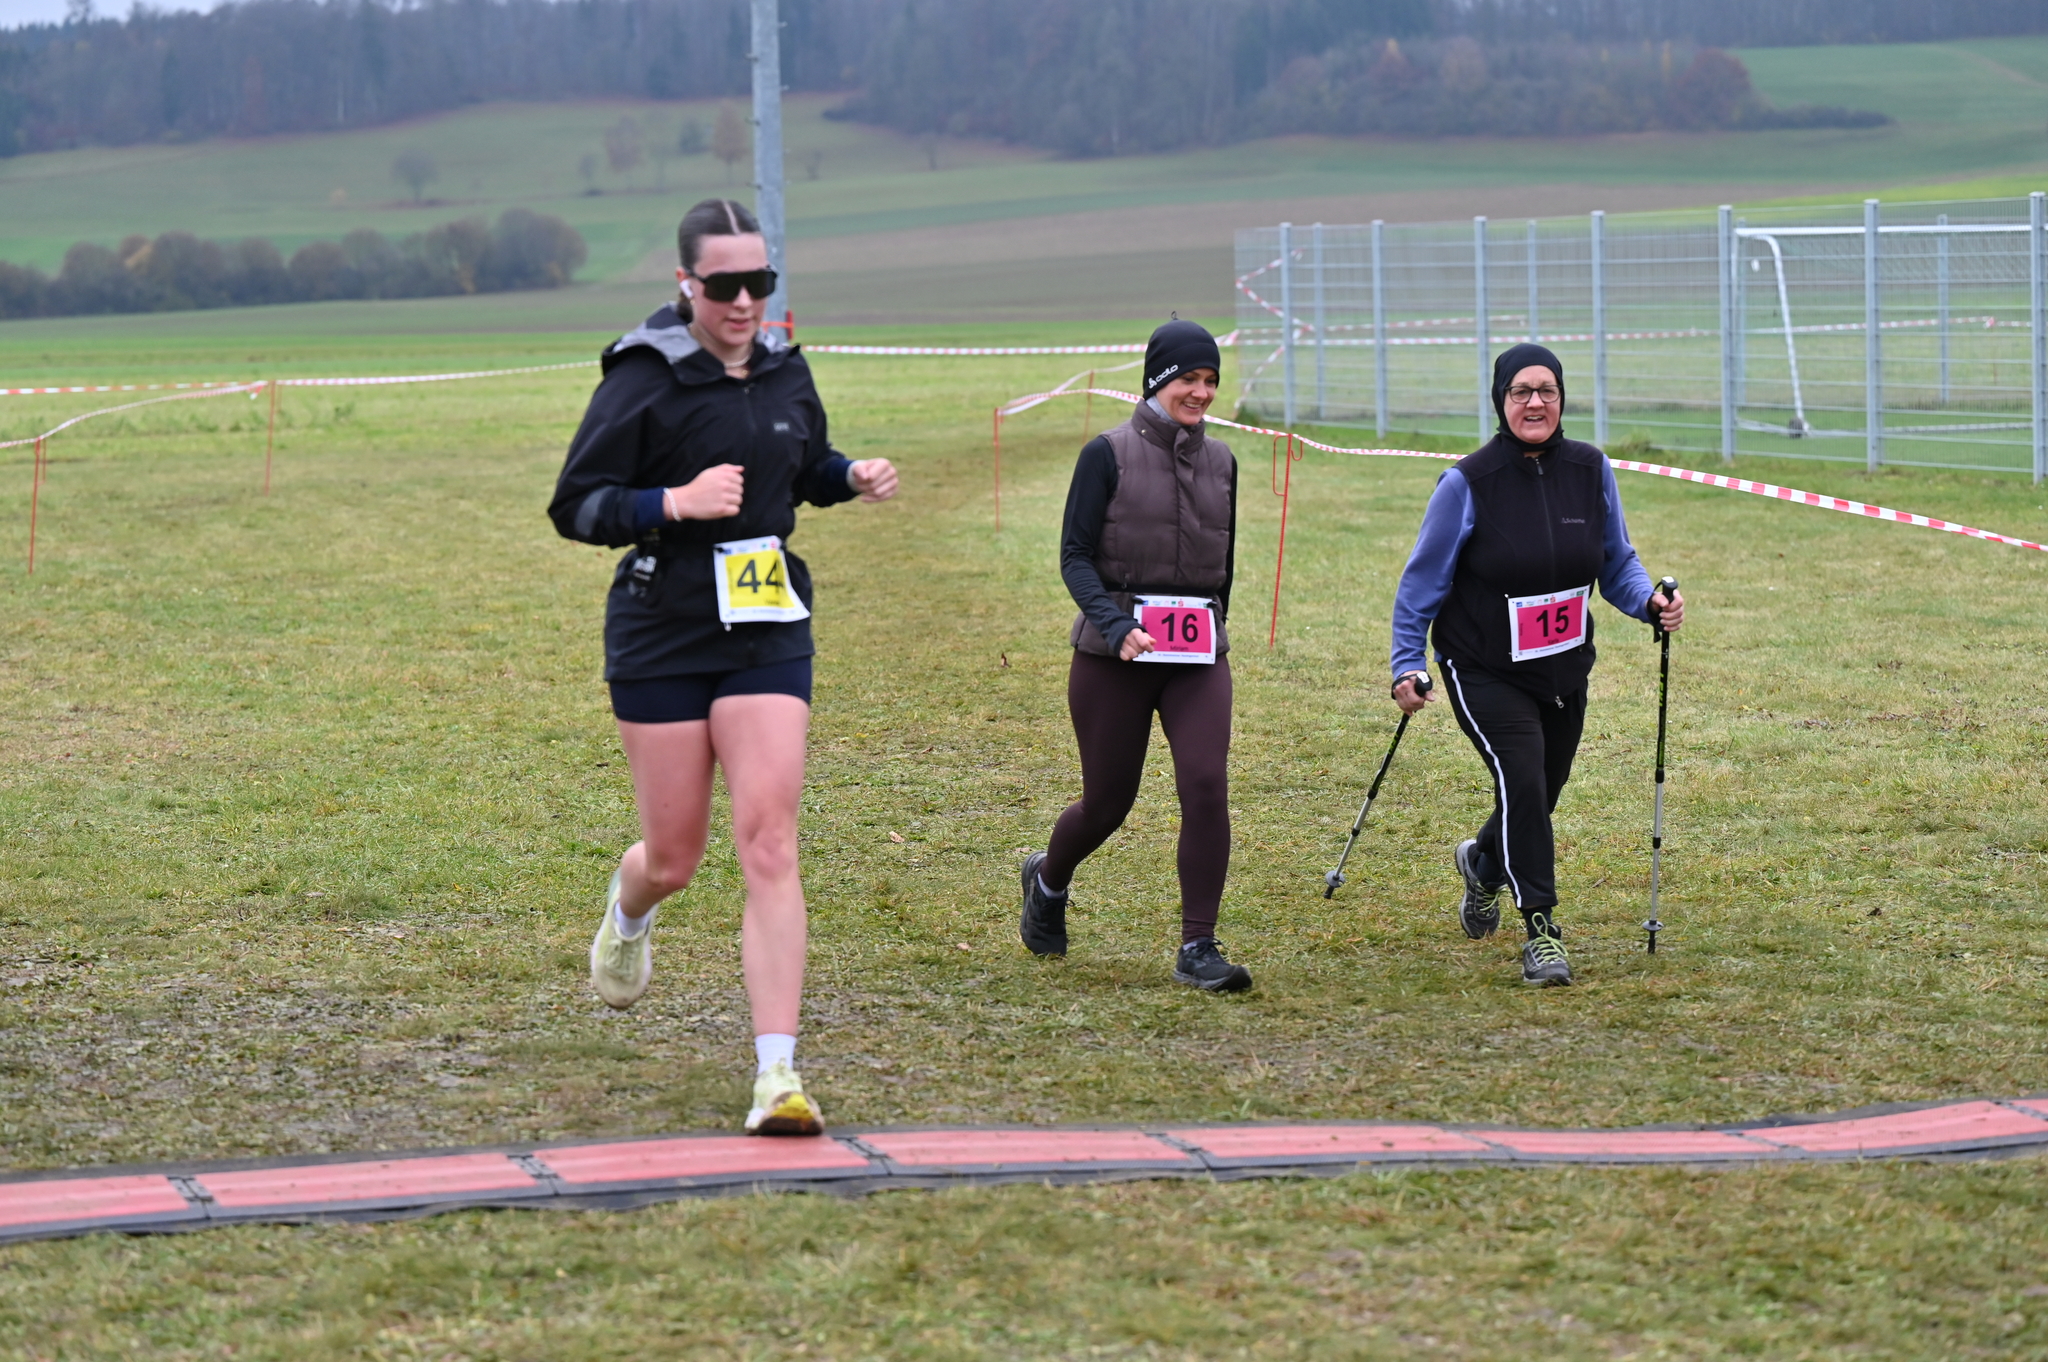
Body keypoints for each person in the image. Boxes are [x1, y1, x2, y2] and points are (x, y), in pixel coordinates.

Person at [548, 198, 897, 1133]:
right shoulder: (644, 376)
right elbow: (575, 506)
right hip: (662, 629)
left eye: (760, 282)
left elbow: (803, 467)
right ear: (686, 283)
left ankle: (777, 1076)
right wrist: (674, 501)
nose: (744, 302)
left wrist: (849, 475)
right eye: (725, 285)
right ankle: (630, 911)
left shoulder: (785, 370)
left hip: (766, 624)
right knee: (675, 857)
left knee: (770, 843)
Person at [1389, 342, 1683, 987]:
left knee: (1541, 792)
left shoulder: (1590, 468)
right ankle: (1542, 929)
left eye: (1546, 390)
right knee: (1522, 780)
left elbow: (1616, 561)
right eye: (1520, 391)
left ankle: (1484, 865)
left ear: (1561, 398)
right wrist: (1407, 663)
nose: (1534, 403)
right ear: (1501, 400)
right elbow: (1420, 584)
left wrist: (1648, 602)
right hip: (1482, 666)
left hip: (1563, 667)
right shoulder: (1467, 483)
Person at [1019, 320, 1251, 992]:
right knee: (1107, 802)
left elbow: (1223, 564)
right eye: (1189, 379)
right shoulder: (1107, 453)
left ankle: (1198, 946)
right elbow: (1074, 556)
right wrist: (1115, 624)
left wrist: (1215, 626)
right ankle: (1048, 881)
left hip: (1197, 657)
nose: (1201, 392)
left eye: (1211, 380)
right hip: (1112, 655)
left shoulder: (1223, 462)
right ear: (1157, 381)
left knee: (1205, 785)